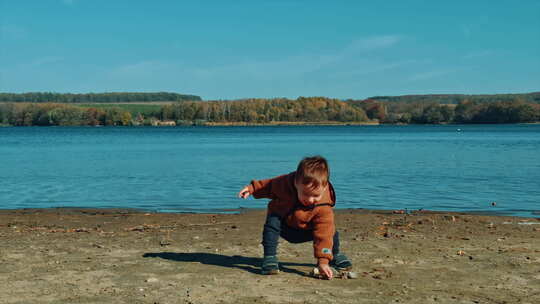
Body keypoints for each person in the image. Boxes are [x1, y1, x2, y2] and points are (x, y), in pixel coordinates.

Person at [237, 155, 352, 279]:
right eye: (306, 194)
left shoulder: (323, 206)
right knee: (272, 221)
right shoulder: (285, 183)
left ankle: (333, 255)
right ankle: (270, 258)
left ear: (324, 188)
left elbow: (323, 235)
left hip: (307, 230)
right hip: (284, 225)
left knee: (329, 230)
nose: (310, 199)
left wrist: (323, 262)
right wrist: (252, 188)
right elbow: (269, 185)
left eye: (315, 195)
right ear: (296, 183)